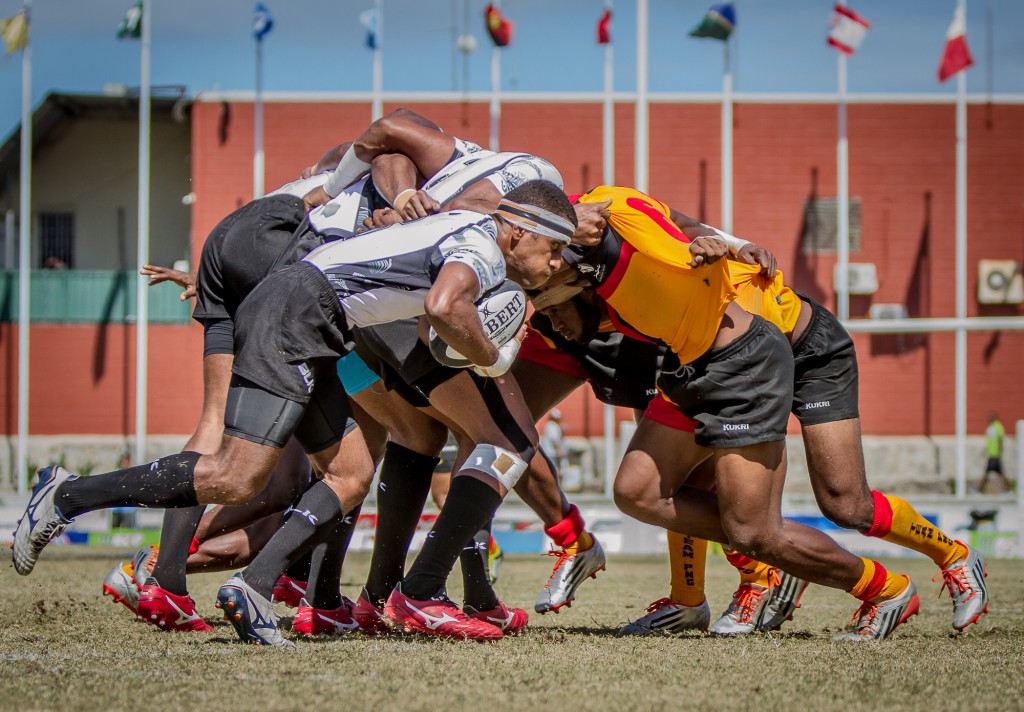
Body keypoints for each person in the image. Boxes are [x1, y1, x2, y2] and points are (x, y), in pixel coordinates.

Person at [554, 184, 923, 641]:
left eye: (550, 310)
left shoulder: (616, 226)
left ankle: (913, 575)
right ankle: (717, 587)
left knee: (837, 506)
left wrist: (727, 243)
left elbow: (682, 227)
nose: (550, 323)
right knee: (640, 490)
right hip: (695, 366)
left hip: (765, 354)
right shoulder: (607, 295)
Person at [978, 412, 1011, 493]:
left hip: (995, 455)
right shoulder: (991, 427)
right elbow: (990, 442)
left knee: (994, 473)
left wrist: (1000, 452)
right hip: (991, 454)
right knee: (996, 473)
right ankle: (980, 489)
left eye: (990, 417)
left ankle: (979, 489)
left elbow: (1000, 440)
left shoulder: (998, 427)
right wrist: (985, 450)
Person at [540, 410, 568, 475]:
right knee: (555, 471)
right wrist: (560, 450)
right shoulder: (552, 426)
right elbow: (554, 440)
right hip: (552, 453)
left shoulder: (549, 425)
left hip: (551, 452)